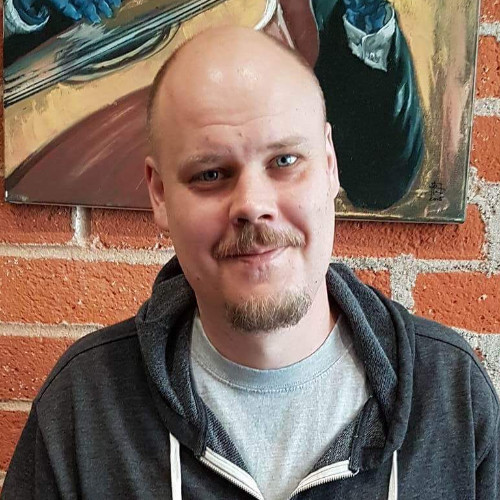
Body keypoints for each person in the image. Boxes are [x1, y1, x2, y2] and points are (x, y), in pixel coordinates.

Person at [2, 26, 498, 500]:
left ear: (329, 165)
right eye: (210, 173)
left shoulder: (452, 395)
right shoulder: (83, 405)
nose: (252, 204)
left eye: (285, 161)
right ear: (159, 194)